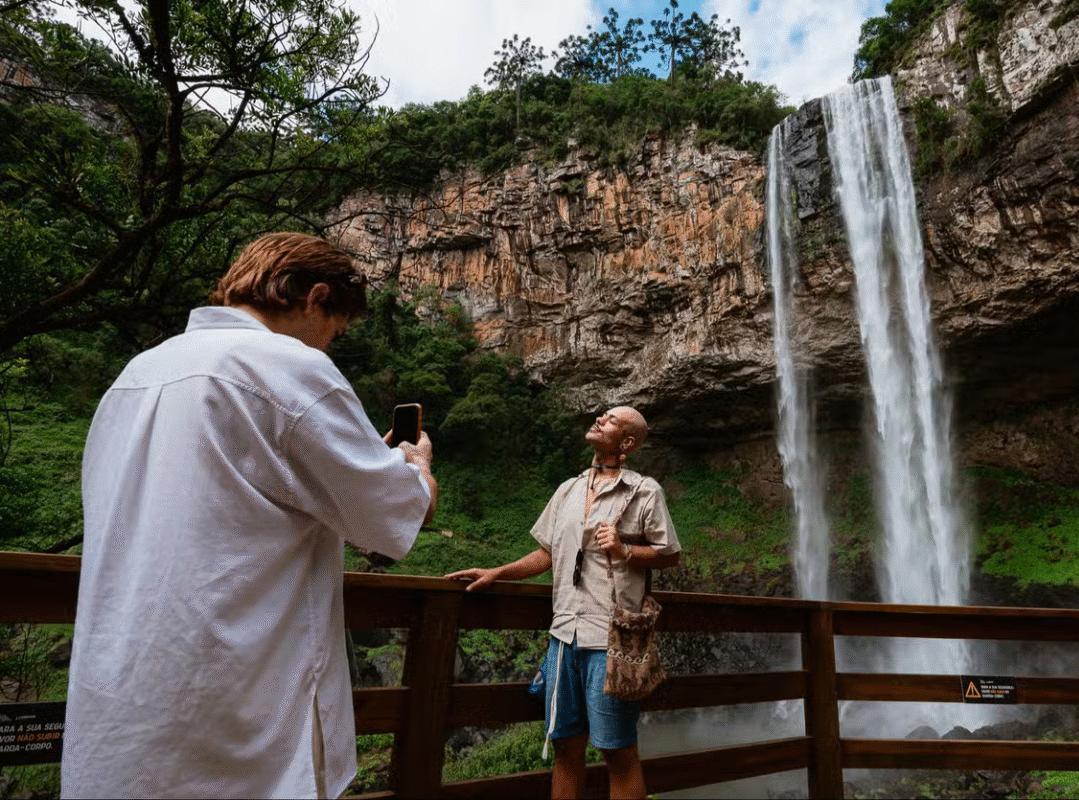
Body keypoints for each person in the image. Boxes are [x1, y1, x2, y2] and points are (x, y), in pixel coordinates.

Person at [61, 232, 437, 799]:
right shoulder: (290, 367)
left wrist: (358, 468)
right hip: (239, 700)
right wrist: (415, 468)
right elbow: (396, 518)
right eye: (334, 331)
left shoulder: (137, 372)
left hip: (119, 698)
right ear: (313, 297)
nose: (328, 348)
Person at [446, 406, 680, 800]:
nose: (598, 420)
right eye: (601, 415)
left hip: (611, 640)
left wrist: (625, 550)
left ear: (627, 443)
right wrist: (496, 572)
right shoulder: (568, 489)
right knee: (564, 747)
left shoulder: (644, 491)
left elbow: (669, 553)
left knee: (617, 752)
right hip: (563, 636)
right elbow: (546, 554)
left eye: (610, 421)